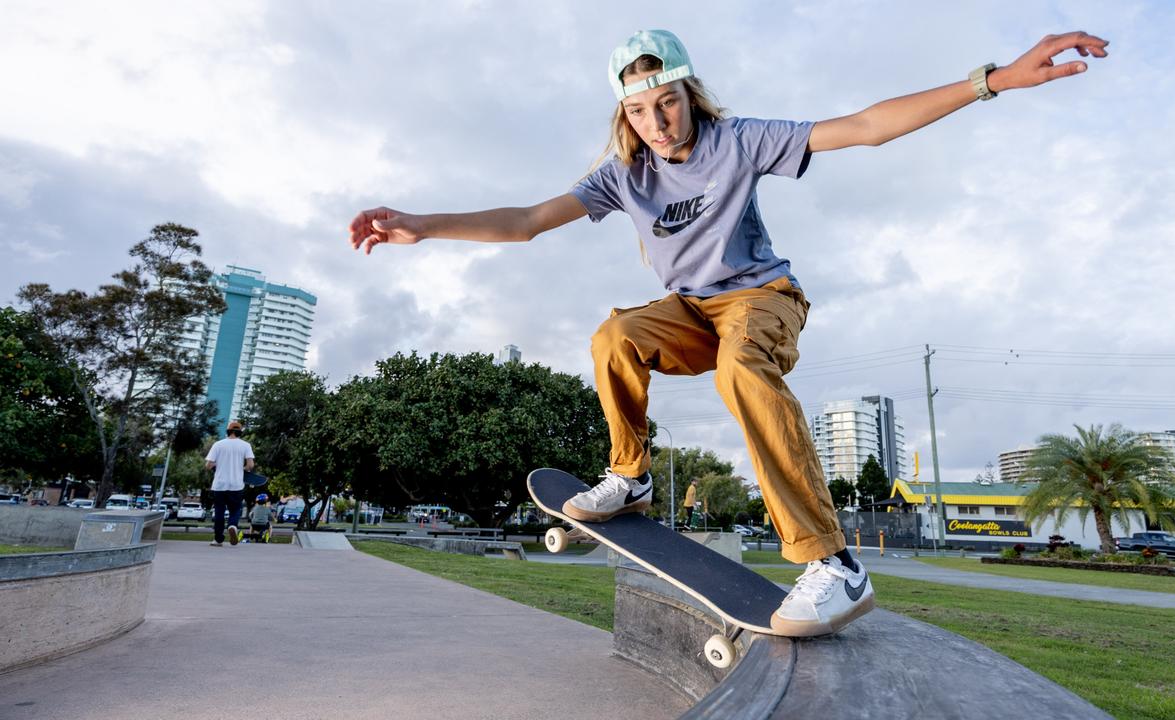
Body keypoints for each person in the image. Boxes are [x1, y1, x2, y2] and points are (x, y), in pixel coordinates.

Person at [348, 28, 1108, 636]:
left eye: (669, 105)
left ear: (690, 95)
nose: (658, 125)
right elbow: (526, 222)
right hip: (691, 312)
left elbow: (867, 128)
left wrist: (994, 80)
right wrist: (424, 224)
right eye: (641, 114)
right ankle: (632, 475)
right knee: (615, 335)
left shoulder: (738, 140)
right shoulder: (623, 175)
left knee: (741, 370)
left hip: (763, 299)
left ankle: (833, 563)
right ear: (626, 117)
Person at [205, 420, 255, 547]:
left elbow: (208, 465)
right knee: (235, 509)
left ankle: (218, 539)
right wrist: (242, 468)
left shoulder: (218, 444)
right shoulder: (245, 445)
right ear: (240, 432)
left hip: (219, 485)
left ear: (228, 431)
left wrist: (219, 464)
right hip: (236, 485)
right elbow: (250, 465)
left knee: (219, 511)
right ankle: (232, 525)